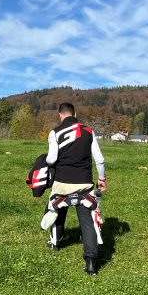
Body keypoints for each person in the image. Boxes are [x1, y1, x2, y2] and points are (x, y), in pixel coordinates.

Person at [41, 102, 106, 275]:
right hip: (83, 183)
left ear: (60, 115)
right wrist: (102, 180)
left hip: (62, 183)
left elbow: (51, 159)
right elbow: (99, 160)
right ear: (75, 114)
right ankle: (91, 262)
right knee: (87, 220)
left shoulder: (55, 132)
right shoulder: (88, 131)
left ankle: (56, 242)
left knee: (56, 209)